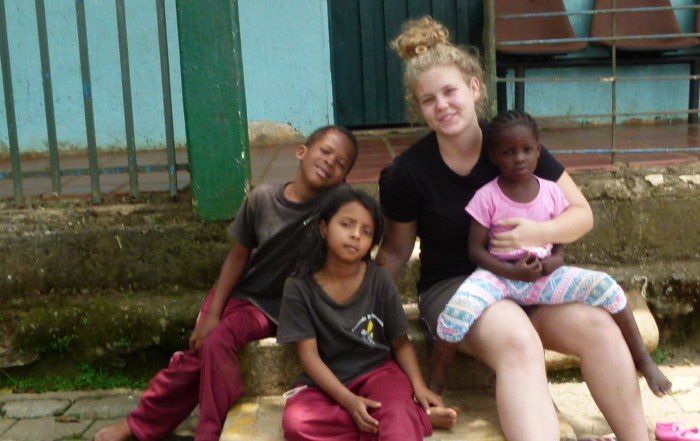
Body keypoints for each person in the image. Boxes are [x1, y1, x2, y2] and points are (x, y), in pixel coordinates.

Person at [376, 15, 650, 441]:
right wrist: (360, 301)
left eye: (450, 91)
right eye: (428, 99)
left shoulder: (513, 143)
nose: (442, 105)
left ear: (474, 88)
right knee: (519, 340)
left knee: (600, 328)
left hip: (531, 281)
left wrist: (533, 235)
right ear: (419, 108)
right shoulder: (407, 173)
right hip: (457, 289)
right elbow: (395, 251)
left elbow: (582, 215)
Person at [94, 125, 359, 441]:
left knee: (211, 347)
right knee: (207, 344)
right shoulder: (262, 200)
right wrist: (214, 314)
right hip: (242, 295)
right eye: (324, 152)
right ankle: (144, 423)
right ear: (301, 152)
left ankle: (197, 429)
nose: (329, 162)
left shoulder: (333, 211)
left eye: (340, 163)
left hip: (280, 311)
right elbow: (236, 259)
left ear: (344, 180)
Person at [431, 109, 672, 398]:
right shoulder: (488, 196)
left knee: (607, 287)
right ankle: (436, 381)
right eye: (508, 152)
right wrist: (511, 272)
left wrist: (554, 262)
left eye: (526, 150)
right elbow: (475, 250)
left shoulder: (551, 192)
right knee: (457, 312)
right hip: (498, 277)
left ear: (538, 151)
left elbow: (559, 242)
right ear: (493, 156)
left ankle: (643, 360)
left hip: (546, 278)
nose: (519, 158)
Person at [277, 187, 457, 441]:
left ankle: (400, 417)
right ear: (324, 228)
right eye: (346, 224)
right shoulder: (298, 287)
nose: (355, 235)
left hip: (378, 372)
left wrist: (418, 386)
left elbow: (401, 344)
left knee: (395, 415)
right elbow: (309, 357)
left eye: (366, 231)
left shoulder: (380, 282)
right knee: (297, 424)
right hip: (325, 380)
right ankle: (413, 419)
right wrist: (349, 401)